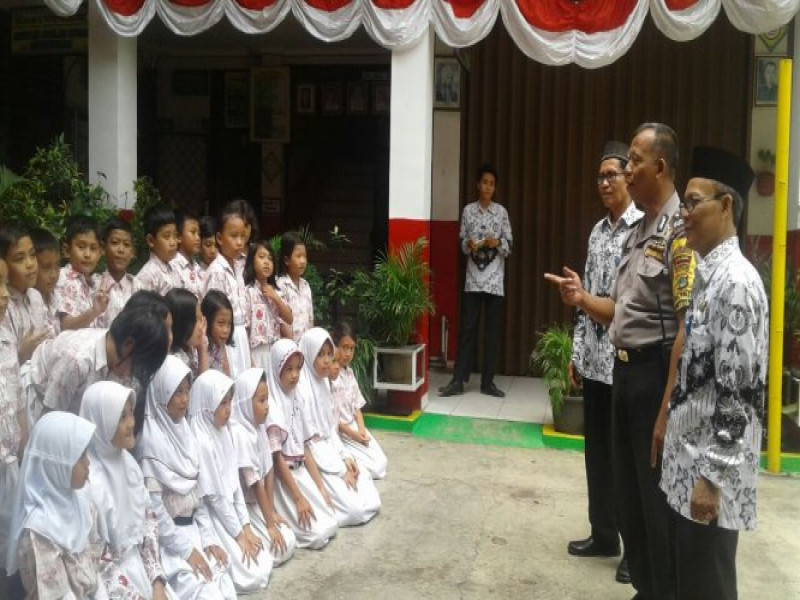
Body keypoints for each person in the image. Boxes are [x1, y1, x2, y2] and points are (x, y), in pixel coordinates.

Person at [545, 123, 695, 600]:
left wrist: (668, 406)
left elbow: (688, 327)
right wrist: (582, 299)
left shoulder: (679, 232)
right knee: (629, 495)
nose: (626, 171)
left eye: (633, 161)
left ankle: (660, 589)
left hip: (652, 375)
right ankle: (645, 588)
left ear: (660, 167)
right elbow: (619, 308)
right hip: (621, 368)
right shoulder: (640, 231)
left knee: (653, 499)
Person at [661, 147, 764, 600]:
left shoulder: (735, 283)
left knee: (708, 588)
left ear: (725, 206)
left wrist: (711, 479)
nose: (683, 214)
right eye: (683, 204)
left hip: (709, 480)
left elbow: (735, 393)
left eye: (692, 203)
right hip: (688, 467)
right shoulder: (708, 276)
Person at [566, 141, 642, 584]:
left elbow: (625, 304)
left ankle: (634, 550)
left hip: (624, 362)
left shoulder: (640, 229)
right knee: (596, 453)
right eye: (600, 176)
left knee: (624, 461)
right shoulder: (597, 231)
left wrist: (585, 301)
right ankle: (603, 534)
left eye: (611, 174)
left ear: (628, 177)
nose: (604, 183)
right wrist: (577, 353)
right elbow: (585, 297)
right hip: (595, 361)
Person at [136, 355, 237, 600]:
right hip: (170, 545)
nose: (184, 399)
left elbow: (197, 497)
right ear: (162, 393)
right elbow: (156, 512)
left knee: (227, 590)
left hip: (195, 533)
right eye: (177, 392)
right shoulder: (149, 442)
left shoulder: (186, 432)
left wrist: (209, 539)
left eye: (187, 391)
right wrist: (187, 550)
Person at [79, 381, 173, 599]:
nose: (132, 423)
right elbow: (98, 560)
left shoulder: (129, 465)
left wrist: (157, 582)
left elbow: (149, 523)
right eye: (122, 417)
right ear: (100, 423)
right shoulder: (87, 481)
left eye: (131, 413)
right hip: (108, 584)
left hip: (142, 569)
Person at [189, 369, 272, 593]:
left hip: (231, 513)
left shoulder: (223, 431)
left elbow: (234, 485)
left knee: (263, 560)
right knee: (253, 575)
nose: (228, 410)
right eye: (222, 403)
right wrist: (238, 535)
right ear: (206, 404)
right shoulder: (201, 440)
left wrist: (246, 527)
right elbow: (214, 498)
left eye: (229, 402)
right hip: (214, 517)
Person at [6, 411, 105, 599]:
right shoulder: (39, 532)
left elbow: (97, 570)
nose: (88, 463)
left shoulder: (83, 505)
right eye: (79, 456)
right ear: (55, 463)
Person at [440, 164, 513, 398]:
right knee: (468, 331)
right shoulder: (468, 211)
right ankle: (458, 380)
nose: (488, 187)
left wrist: (497, 243)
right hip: (472, 280)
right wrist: (468, 245)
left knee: (492, 333)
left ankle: (488, 382)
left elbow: (509, 246)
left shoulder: (501, 213)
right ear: (478, 185)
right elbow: (462, 243)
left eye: (492, 184)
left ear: (495, 187)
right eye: (484, 183)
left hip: (494, 282)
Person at [297, 328, 381, 527]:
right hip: (317, 460)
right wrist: (340, 470)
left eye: (329, 354)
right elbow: (309, 443)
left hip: (330, 451)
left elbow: (330, 430)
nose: (327, 360)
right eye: (320, 355)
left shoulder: (324, 384)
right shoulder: (301, 391)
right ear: (308, 355)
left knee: (369, 493)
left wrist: (346, 456)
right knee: (355, 510)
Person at [26, 305, 169, 420]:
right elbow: (50, 420)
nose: (129, 376)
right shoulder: (76, 360)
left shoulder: (119, 355)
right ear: (128, 344)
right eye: (134, 368)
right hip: (38, 401)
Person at [267, 339, 338, 549]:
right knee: (318, 535)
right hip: (283, 481)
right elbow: (277, 459)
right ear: (276, 369)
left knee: (331, 522)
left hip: (300, 473)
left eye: (298, 368)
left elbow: (304, 448)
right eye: (288, 369)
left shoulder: (297, 397)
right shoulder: (271, 405)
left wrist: (320, 487)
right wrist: (298, 498)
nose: (295, 375)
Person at [231, 368, 297, 566]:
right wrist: (269, 525)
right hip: (245, 507)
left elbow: (268, 471)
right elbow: (254, 483)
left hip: (259, 504)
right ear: (245, 402)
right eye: (261, 401)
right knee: (277, 549)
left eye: (267, 399)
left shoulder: (258, 427)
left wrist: (271, 511)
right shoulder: (240, 433)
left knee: (288, 539)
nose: (267, 406)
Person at [330, 321, 388, 479]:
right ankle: (348, 463)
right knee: (376, 469)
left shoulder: (350, 373)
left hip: (355, 427)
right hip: (342, 433)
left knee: (382, 462)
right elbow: (333, 420)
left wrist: (361, 430)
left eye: (351, 348)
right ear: (335, 346)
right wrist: (353, 434)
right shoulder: (331, 378)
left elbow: (357, 408)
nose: (348, 353)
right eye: (344, 347)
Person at [202, 203, 251, 375]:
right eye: (233, 236)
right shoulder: (217, 271)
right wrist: (221, 353)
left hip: (240, 335)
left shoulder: (238, 267)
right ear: (220, 238)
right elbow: (213, 316)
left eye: (242, 236)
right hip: (225, 337)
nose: (239, 242)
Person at [243, 239, 293, 370]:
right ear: (251, 262)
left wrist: (275, 297)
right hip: (256, 351)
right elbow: (245, 328)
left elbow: (289, 318)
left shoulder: (277, 292)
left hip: (275, 349)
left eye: (270, 259)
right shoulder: (248, 292)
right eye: (261, 257)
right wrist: (249, 359)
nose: (266, 262)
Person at [57, 215, 108, 330]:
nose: (87, 254)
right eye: (81, 247)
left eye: (93, 248)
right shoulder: (63, 278)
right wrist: (94, 311)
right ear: (66, 250)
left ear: (100, 253)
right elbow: (65, 325)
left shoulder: (95, 282)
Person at [94, 217, 142, 329]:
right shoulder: (95, 285)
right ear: (103, 248)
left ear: (132, 252)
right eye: (115, 243)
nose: (121, 250)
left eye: (126, 244)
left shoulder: (138, 287)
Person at [276, 232, 314, 342]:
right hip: (288, 345)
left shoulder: (306, 286)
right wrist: (293, 345)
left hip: (305, 345)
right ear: (286, 260)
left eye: (304, 256)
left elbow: (310, 319)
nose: (302, 261)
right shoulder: (281, 284)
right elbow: (280, 321)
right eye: (298, 256)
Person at [136, 206, 182, 296]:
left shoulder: (175, 267)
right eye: (167, 236)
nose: (173, 242)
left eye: (175, 235)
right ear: (151, 240)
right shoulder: (147, 275)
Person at [167, 288, 210, 377]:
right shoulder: (175, 362)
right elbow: (204, 382)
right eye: (198, 319)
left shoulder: (189, 350)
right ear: (183, 323)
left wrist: (202, 348)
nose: (202, 326)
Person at [29, 228, 62, 337]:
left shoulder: (56, 296)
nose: (54, 274)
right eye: (46, 267)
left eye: (57, 266)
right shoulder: (29, 303)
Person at [172, 208, 203, 300]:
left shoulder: (197, 267)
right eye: (193, 232)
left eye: (199, 234)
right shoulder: (173, 267)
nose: (198, 238)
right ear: (179, 237)